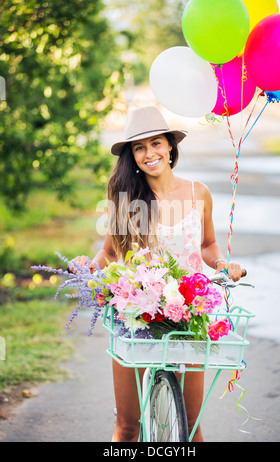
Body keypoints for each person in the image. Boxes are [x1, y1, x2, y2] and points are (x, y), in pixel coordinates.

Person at [72, 106, 244, 442]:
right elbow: (108, 253)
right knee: (127, 427)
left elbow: (208, 244)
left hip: (190, 313)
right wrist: (91, 269)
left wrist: (223, 265)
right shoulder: (125, 197)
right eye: (139, 147)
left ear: (170, 146)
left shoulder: (198, 193)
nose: (149, 153)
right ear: (132, 156)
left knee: (191, 430)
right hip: (137, 313)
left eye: (156, 143)